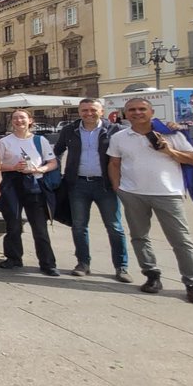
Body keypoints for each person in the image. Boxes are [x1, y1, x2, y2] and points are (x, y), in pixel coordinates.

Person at [108, 98, 193, 304]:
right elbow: (114, 163)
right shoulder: (119, 137)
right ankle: (151, 274)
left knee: (181, 240)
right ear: (126, 114)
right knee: (139, 237)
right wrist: (118, 188)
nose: (137, 113)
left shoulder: (172, 133)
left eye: (142, 109)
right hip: (133, 194)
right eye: (132, 110)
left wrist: (169, 151)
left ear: (151, 112)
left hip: (168, 193)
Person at [54, 98, 130, 281]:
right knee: (79, 226)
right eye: (84, 110)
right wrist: (57, 175)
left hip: (106, 185)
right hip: (77, 185)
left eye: (93, 110)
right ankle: (83, 263)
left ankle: (121, 267)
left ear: (101, 111)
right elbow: (57, 151)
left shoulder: (115, 130)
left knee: (114, 227)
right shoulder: (69, 130)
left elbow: (137, 136)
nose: (88, 113)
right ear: (79, 112)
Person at [0, 110, 59, 277]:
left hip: (34, 185)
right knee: (13, 224)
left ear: (30, 120)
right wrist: (13, 167)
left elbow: (53, 162)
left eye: (22, 118)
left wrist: (41, 169)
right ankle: (13, 258)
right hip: (12, 184)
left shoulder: (40, 140)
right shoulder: (4, 142)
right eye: (15, 118)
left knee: (40, 227)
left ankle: (48, 263)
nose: (19, 121)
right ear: (11, 122)